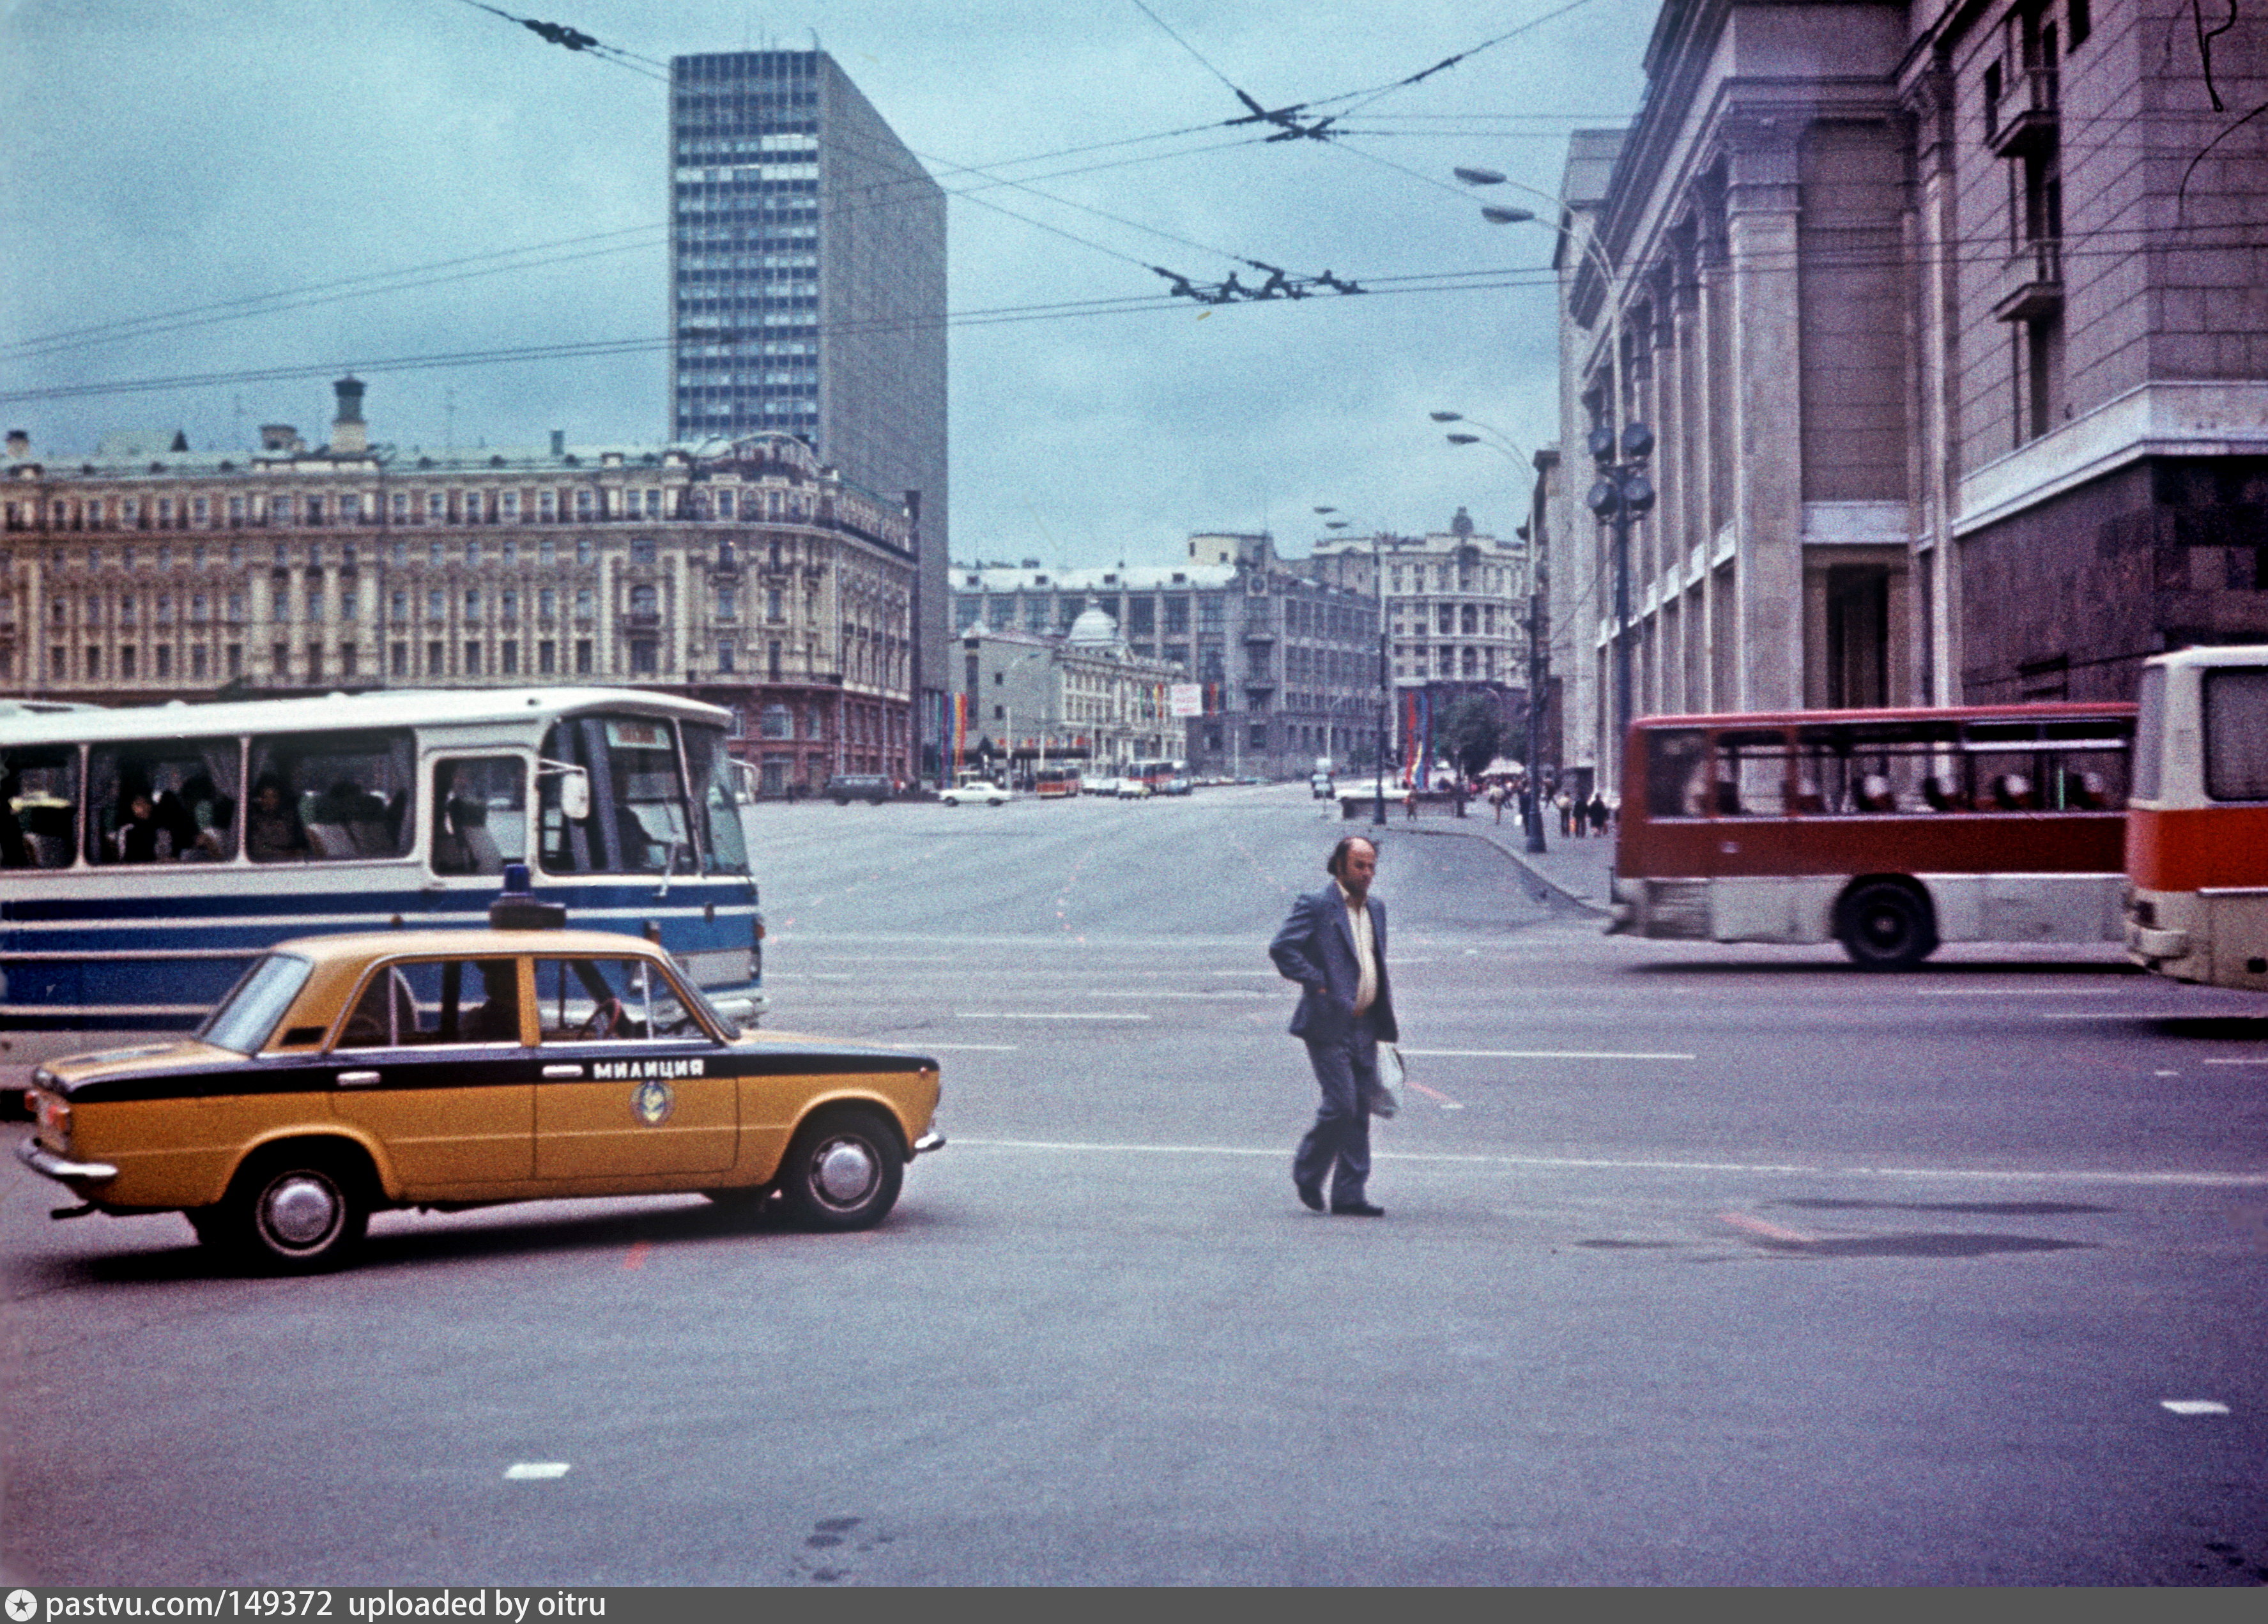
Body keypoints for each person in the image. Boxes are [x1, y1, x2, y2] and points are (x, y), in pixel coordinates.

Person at [1269, 835, 1401, 1218]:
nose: (1367, 873)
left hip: (1366, 1023)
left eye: (1372, 866)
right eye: (1360, 865)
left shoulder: (1376, 908)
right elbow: (1283, 949)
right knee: (1341, 1104)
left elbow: (1371, 960)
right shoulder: (1316, 905)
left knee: (1359, 1111)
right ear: (1339, 866)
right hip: (1328, 1022)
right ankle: (1308, 1172)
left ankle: (1349, 1193)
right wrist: (1319, 982)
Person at [245, 772, 309, 862]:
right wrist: (282, 853)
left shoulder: (289, 817)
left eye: (274, 797)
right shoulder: (254, 820)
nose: (269, 801)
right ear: (260, 799)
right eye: (265, 797)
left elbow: (301, 844)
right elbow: (258, 847)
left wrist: (297, 851)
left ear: (279, 798)